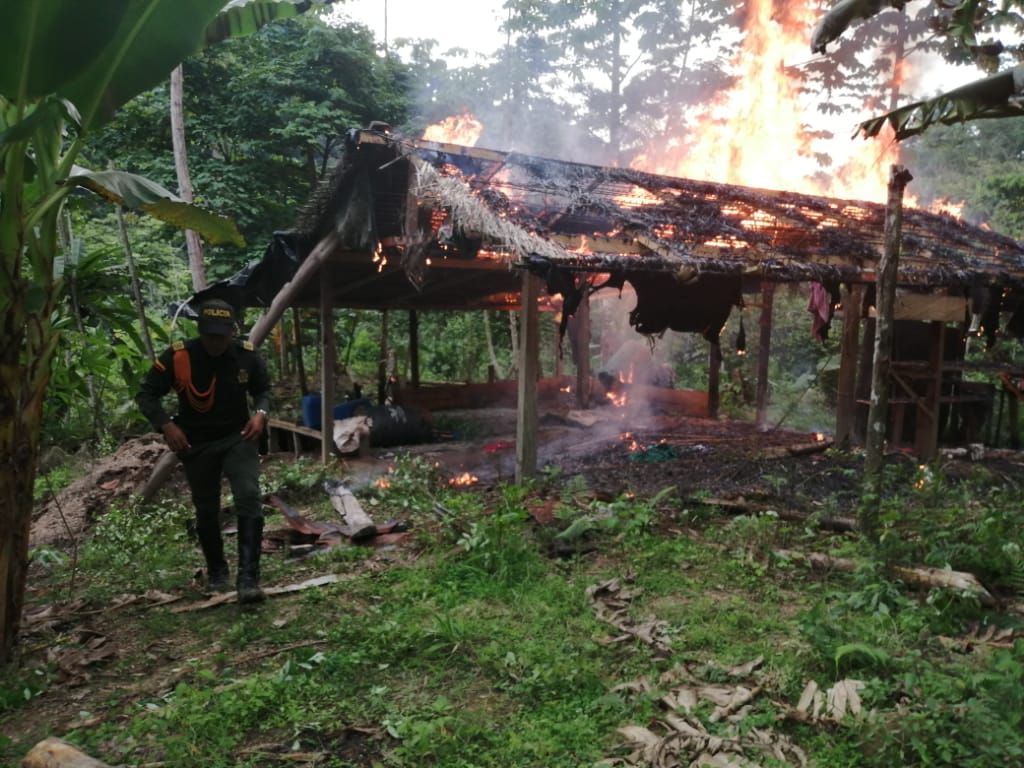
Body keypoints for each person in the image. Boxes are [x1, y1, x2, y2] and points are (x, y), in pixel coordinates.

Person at [136, 299, 271, 604]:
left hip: (237, 437)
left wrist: (261, 413)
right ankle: (217, 570)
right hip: (196, 443)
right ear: (200, 330)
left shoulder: (246, 356)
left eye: (221, 336)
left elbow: (262, 390)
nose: (215, 342)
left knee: (249, 496)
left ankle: (248, 578)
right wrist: (166, 425)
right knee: (206, 508)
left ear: (232, 331)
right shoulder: (179, 356)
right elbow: (146, 394)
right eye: (209, 335)